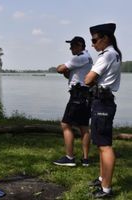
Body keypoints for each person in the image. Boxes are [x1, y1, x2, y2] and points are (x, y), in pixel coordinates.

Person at [85, 23, 121, 198]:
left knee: (105, 146)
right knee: (101, 144)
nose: (92, 44)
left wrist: (88, 78)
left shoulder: (106, 56)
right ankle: (102, 178)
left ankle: (106, 189)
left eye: (94, 40)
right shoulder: (113, 54)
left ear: (105, 38)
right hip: (103, 101)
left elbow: (88, 79)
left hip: (103, 103)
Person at [53, 37, 93, 167]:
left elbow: (60, 69)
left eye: (72, 46)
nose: (70, 49)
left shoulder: (79, 57)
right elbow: (68, 74)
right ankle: (86, 159)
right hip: (86, 95)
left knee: (65, 125)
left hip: (77, 95)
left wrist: (60, 67)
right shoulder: (87, 57)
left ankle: (69, 157)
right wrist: (66, 71)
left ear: (79, 45)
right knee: (84, 127)